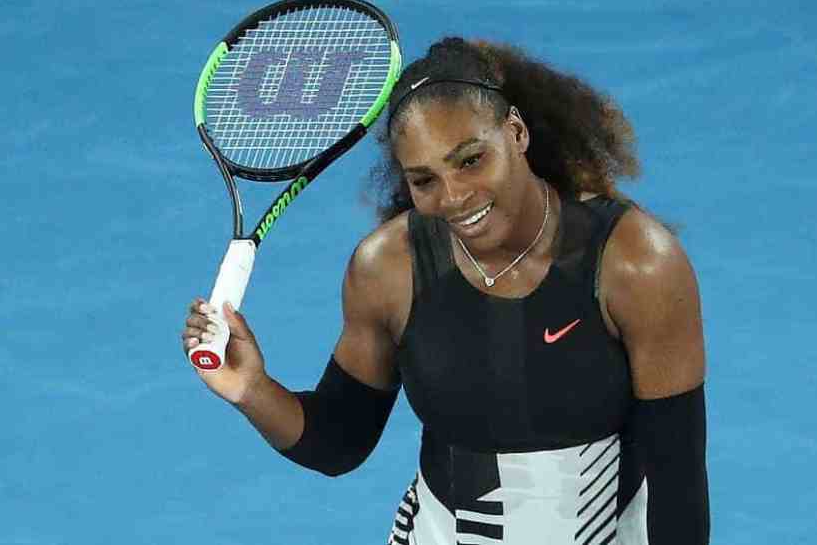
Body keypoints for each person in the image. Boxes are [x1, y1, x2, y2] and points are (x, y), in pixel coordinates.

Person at [182, 37, 710, 544]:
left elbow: (677, 481)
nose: (455, 196)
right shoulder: (389, 269)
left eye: (470, 159)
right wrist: (251, 389)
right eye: (424, 180)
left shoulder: (634, 264)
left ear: (517, 133)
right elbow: (339, 441)